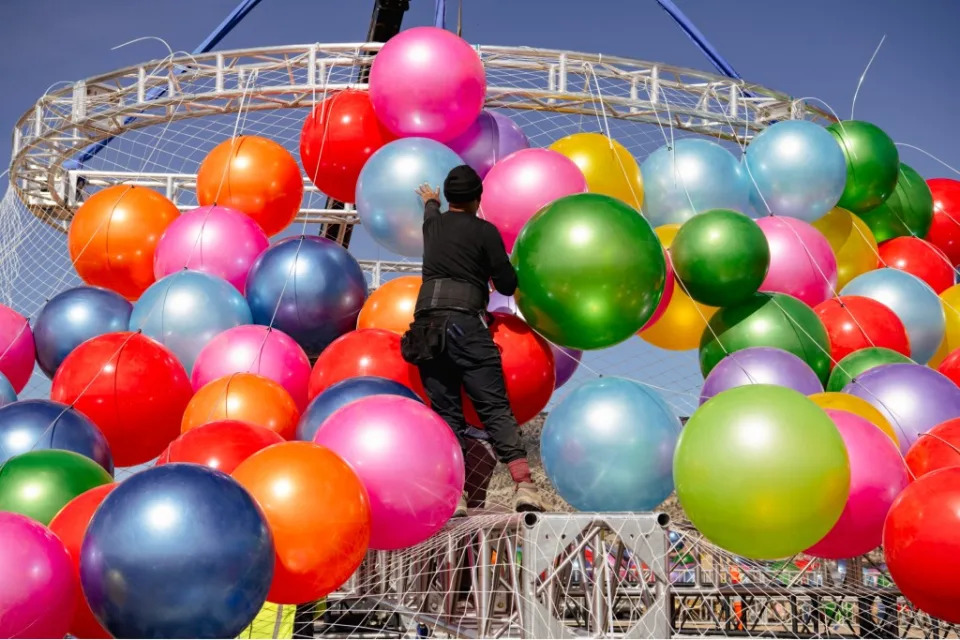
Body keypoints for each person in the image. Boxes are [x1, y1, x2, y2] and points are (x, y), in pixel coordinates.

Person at [400, 164, 544, 516]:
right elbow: (507, 285)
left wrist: (431, 200)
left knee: (447, 413)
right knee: (493, 406)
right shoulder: (485, 231)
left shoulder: (432, 225)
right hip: (466, 325)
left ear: (449, 198)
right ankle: (523, 486)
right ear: (478, 199)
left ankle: (455, 493)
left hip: (428, 330)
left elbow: (432, 210)